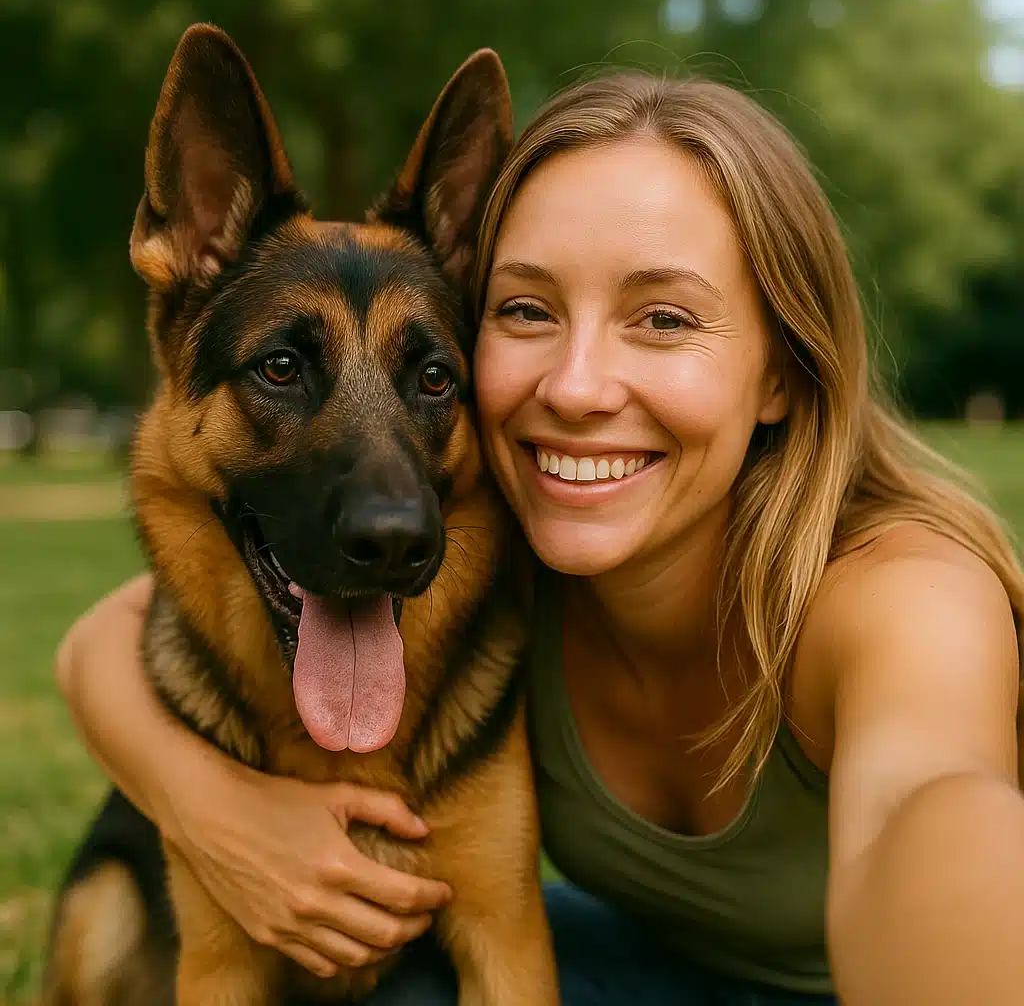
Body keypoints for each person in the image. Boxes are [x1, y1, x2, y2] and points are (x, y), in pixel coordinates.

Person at [55, 71, 1024, 1005]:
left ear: (781, 370)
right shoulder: (513, 544)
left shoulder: (901, 593)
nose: (574, 386)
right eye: (526, 309)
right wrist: (215, 815)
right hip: (648, 968)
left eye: (662, 317)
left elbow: (923, 807)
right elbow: (100, 643)